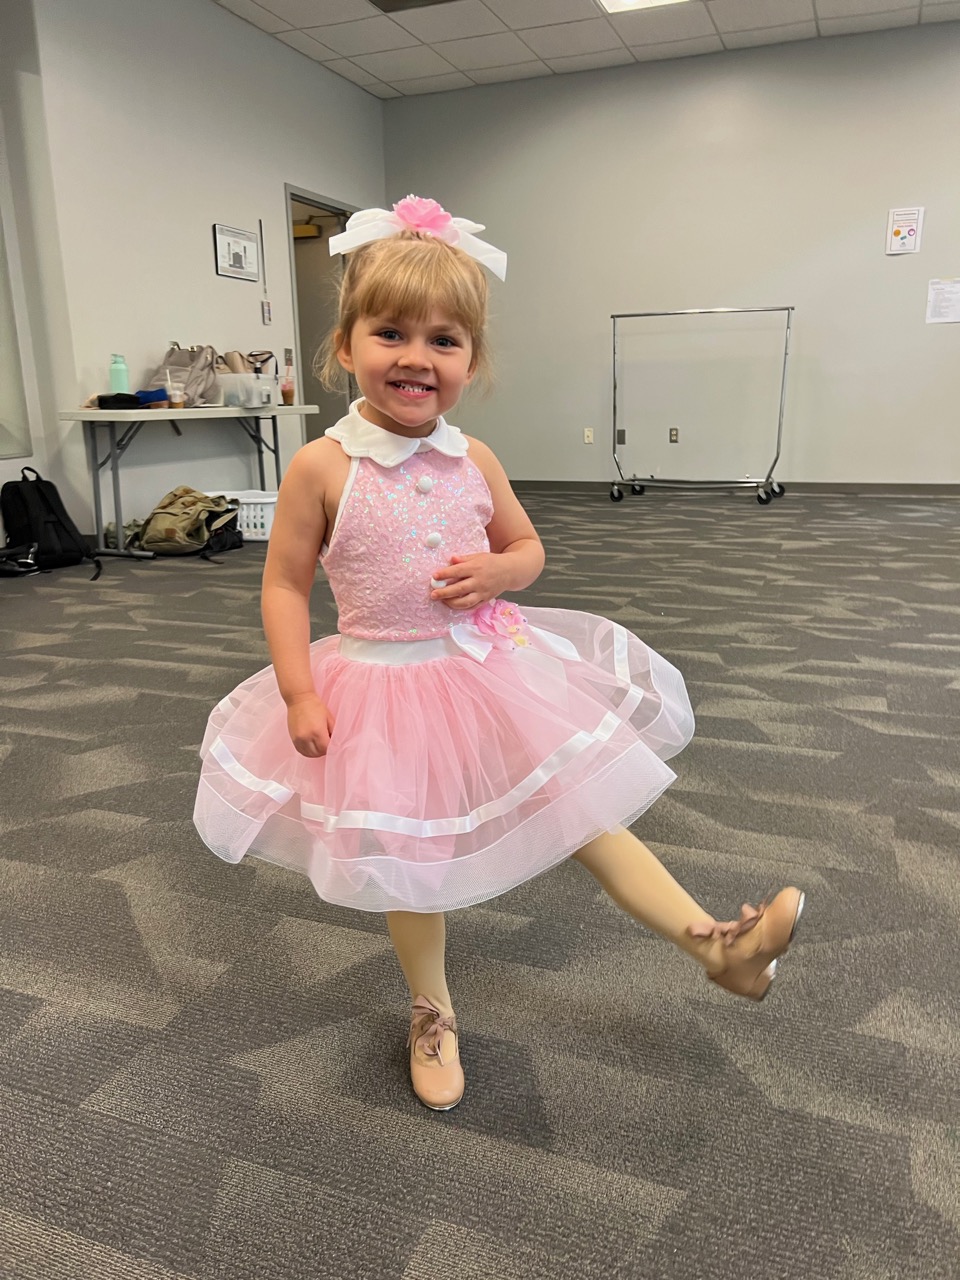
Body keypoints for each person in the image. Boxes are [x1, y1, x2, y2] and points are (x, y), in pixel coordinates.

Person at [194, 196, 805, 1113]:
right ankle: (431, 1012)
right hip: (380, 685)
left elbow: (527, 548)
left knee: (585, 813)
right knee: (411, 858)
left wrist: (501, 571)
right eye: (391, 333)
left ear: (471, 361)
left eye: (443, 340)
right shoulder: (323, 465)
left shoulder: (472, 456)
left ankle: (716, 947)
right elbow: (284, 585)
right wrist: (297, 692)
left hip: (487, 671)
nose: (417, 357)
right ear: (345, 346)